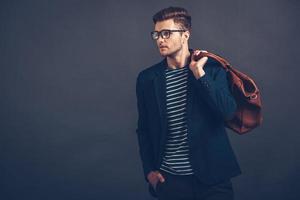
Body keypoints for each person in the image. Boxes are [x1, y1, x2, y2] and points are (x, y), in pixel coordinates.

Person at [135, 6, 241, 200]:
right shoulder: (147, 79)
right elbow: (143, 129)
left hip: (213, 179)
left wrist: (200, 75)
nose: (160, 39)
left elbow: (227, 112)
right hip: (171, 181)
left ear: (185, 34)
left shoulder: (212, 69)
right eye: (156, 34)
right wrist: (149, 171)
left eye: (166, 33)